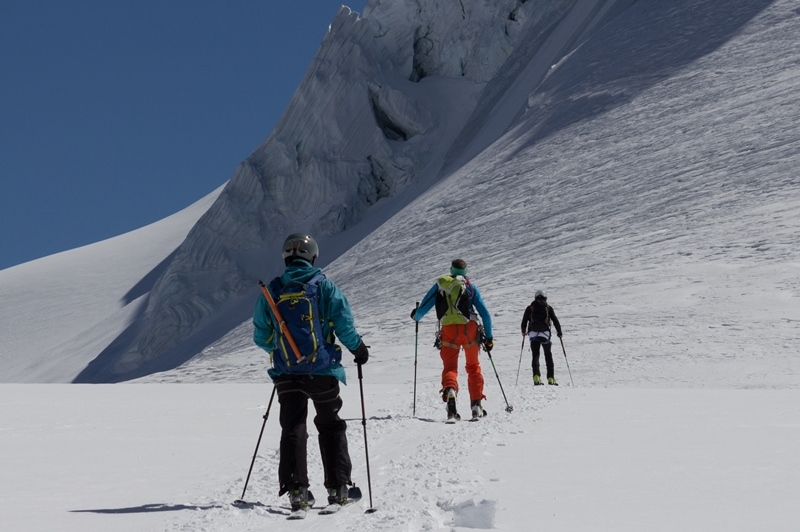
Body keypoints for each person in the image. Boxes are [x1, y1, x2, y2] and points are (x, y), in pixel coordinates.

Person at [253, 233, 369, 513]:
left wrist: (280, 350)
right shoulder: (324, 286)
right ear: (312, 257)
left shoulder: (273, 290)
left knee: (293, 427)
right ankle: (339, 489)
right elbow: (343, 324)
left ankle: (297, 491)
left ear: (286, 257)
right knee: (330, 424)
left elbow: (261, 335)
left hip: (287, 373)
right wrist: (359, 349)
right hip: (322, 370)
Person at [411, 258, 493, 421]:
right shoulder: (469, 287)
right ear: (465, 271)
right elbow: (485, 313)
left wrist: (416, 315)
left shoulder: (441, 285)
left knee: (450, 367)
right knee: (473, 366)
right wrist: (489, 338)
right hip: (470, 329)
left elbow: (423, 308)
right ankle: (476, 405)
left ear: (451, 269)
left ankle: (450, 393)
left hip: (448, 329)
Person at [520, 290, 563, 385]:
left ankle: (536, 378)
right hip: (545, 334)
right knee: (548, 355)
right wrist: (559, 333)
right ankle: (551, 379)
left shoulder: (530, 308)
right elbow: (555, 320)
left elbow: (524, 321)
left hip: (533, 333)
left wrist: (523, 332)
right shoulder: (548, 308)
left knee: (535, 355)